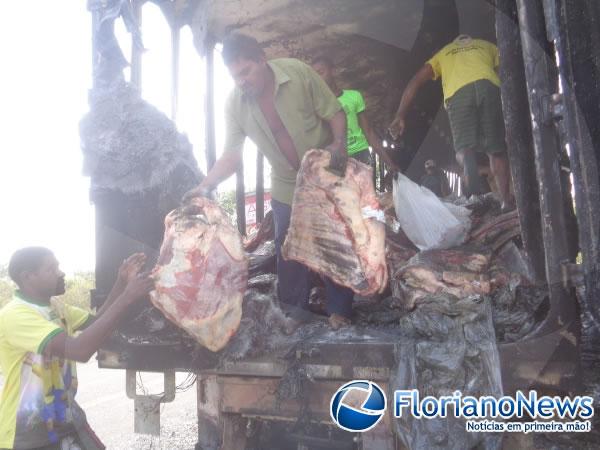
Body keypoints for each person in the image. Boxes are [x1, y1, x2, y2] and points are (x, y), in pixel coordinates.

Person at [184, 33, 354, 329]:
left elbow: (335, 112)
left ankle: (340, 309)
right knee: (287, 249)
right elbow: (232, 156)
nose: (241, 81)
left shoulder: (298, 73)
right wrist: (205, 185)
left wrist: (339, 144)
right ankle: (293, 312)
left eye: (246, 71)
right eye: (234, 76)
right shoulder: (235, 104)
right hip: (286, 184)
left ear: (262, 60)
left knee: (333, 242)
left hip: (324, 175)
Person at [0, 248, 153, 450]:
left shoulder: (56, 307)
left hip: (65, 418)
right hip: (29, 433)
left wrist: (121, 281)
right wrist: (127, 297)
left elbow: (98, 323)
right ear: (28, 277)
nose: (60, 273)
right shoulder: (16, 315)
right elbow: (80, 350)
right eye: (51, 269)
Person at [389, 35, 514, 211]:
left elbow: (416, 80)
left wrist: (400, 114)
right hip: (489, 86)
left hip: (458, 93)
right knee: (496, 150)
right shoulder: (487, 46)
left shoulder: (444, 52)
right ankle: (506, 201)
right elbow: (507, 69)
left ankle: (475, 198)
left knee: (464, 150)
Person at [311, 56, 400, 171]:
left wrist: (389, 163)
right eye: (314, 76)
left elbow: (368, 132)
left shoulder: (354, 96)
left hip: (364, 152)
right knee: (357, 189)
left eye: (321, 72)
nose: (318, 78)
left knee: (382, 186)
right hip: (341, 159)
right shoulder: (318, 108)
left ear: (333, 71)